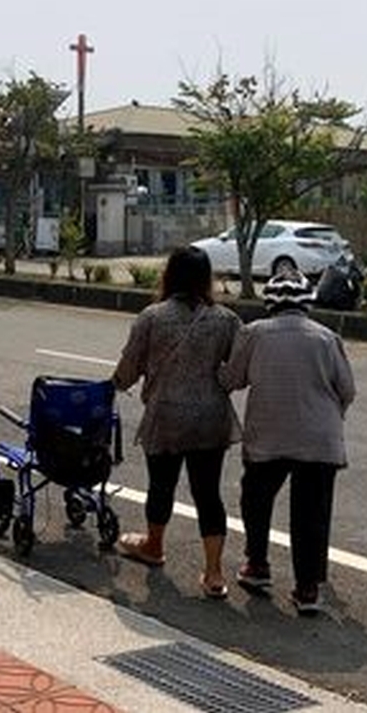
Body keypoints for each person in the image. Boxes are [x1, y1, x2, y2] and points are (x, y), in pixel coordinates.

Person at [219, 270, 356, 615]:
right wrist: (331, 416)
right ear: (307, 303)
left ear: (270, 303)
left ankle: (257, 565)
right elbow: (347, 390)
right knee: (312, 513)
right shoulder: (327, 338)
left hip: (267, 436)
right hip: (320, 440)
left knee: (256, 498)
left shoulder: (254, 333)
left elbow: (231, 380)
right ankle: (308, 589)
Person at [111, 246, 241, 599]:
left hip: (165, 416)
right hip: (211, 419)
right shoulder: (226, 320)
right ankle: (214, 573)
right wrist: (218, 382)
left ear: (170, 275)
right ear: (205, 278)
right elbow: (238, 369)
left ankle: (154, 546)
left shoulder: (152, 317)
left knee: (161, 485)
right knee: (208, 493)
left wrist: (115, 384)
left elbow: (130, 365)